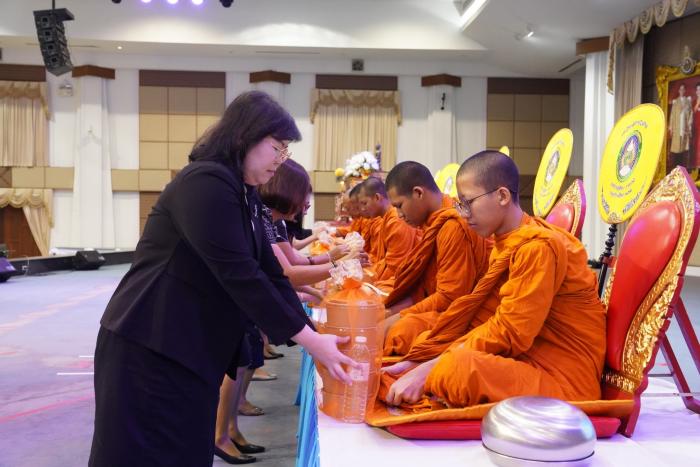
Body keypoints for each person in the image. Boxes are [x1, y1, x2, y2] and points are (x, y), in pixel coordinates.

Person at [89, 91, 356, 467]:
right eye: (277, 148)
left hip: (188, 345)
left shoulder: (244, 192)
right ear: (246, 136)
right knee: (143, 454)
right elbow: (240, 274)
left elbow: (271, 271)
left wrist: (313, 334)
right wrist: (312, 341)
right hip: (149, 343)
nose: (280, 160)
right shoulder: (205, 182)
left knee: (185, 452)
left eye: (285, 152)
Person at [382, 151, 606, 409]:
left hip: (565, 380)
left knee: (456, 369)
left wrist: (433, 366)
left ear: (502, 196)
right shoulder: (507, 241)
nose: (463, 214)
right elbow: (488, 318)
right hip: (528, 358)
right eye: (460, 205)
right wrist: (427, 358)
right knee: (429, 345)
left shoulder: (536, 247)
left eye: (468, 202)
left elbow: (511, 332)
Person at [382, 161, 491, 356]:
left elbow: (451, 298)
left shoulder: (452, 225)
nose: (399, 215)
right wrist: (392, 312)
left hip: (467, 313)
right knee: (378, 311)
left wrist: (399, 315)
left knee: (399, 332)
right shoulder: (435, 220)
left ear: (418, 193)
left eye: (400, 206)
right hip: (440, 303)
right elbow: (424, 285)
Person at [355, 176, 418, 284]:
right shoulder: (385, 218)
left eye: (364, 203)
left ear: (377, 197)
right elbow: (384, 259)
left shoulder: (396, 221)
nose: (362, 209)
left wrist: (368, 278)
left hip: (400, 280)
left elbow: (395, 268)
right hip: (387, 275)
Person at [668, 83, 693, 171]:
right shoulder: (675, 102)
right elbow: (672, 116)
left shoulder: (688, 102)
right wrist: (671, 128)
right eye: (680, 89)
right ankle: (676, 168)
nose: (682, 91)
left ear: (685, 90)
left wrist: (689, 126)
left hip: (685, 128)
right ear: (679, 91)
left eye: (683, 89)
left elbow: (690, 115)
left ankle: (684, 168)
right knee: (676, 149)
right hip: (677, 128)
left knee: (684, 149)